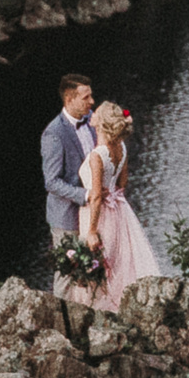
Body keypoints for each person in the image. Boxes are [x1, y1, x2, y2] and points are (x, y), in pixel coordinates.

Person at [66, 101, 158, 313]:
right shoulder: (121, 148)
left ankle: (97, 311)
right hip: (118, 210)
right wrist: (112, 191)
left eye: (96, 112)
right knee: (118, 261)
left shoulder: (98, 155)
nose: (92, 113)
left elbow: (96, 196)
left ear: (102, 123)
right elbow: (123, 183)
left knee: (97, 263)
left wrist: (91, 231)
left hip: (98, 214)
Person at [41, 73, 96, 251]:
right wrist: (86, 195)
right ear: (69, 99)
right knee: (67, 275)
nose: (92, 101)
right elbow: (52, 182)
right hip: (67, 218)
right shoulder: (54, 134)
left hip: (94, 214)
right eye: (86, 97)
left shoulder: (92, 119)